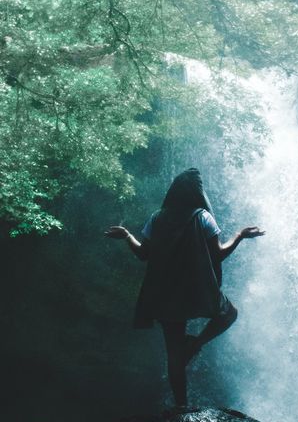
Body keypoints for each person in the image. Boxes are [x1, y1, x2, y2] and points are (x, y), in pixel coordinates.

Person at [105, 168, 264, 406]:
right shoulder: (202, 217)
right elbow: (218, 255)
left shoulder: (157, 218)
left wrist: (127, 235)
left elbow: (143, 254)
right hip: (196, 290)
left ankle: (181, 406)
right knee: (228, 314)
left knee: (173, 353)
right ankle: (195, 344)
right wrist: (240, 235)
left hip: (164, 293)